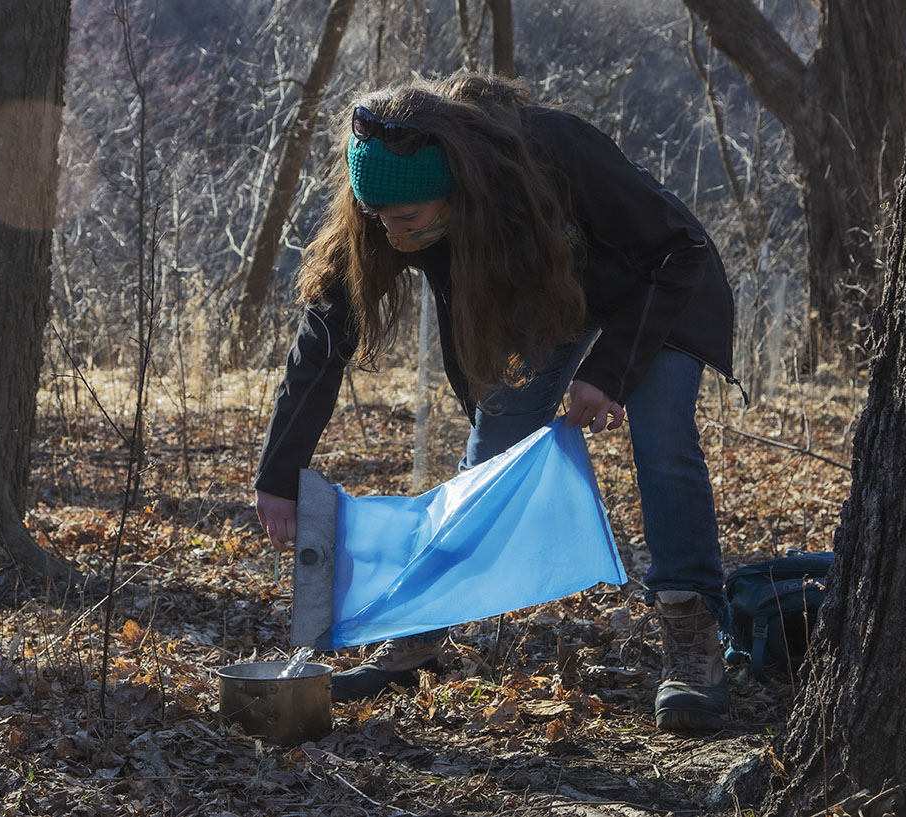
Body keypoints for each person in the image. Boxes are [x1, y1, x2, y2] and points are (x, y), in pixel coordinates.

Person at [254, 72, 741, 732]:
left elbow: (679, 249)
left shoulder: (553, 153)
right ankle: (420, 630)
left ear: (455, 193)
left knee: (661, 441)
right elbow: (324, 337)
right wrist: (279, 476)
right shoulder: (389, 212)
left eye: (408, 219)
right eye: (377, 218)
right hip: (556, 303)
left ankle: (692, 634)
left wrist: (609, 372)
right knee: (489, 459)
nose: (391, 234)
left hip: (656, 289)